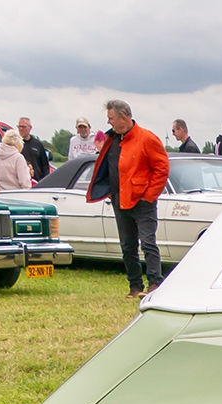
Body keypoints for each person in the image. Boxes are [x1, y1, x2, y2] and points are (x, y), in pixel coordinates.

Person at [85, 99, 170, 298]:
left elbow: (162, 168)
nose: (109, 123)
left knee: (148, 242)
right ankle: (135, 286)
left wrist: (149, 196)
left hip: (142, 201)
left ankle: (155, 284)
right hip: (119, 199)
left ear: (124, 117)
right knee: (127, 246)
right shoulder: (112, 139)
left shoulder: (147, 138)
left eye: (111, 118)